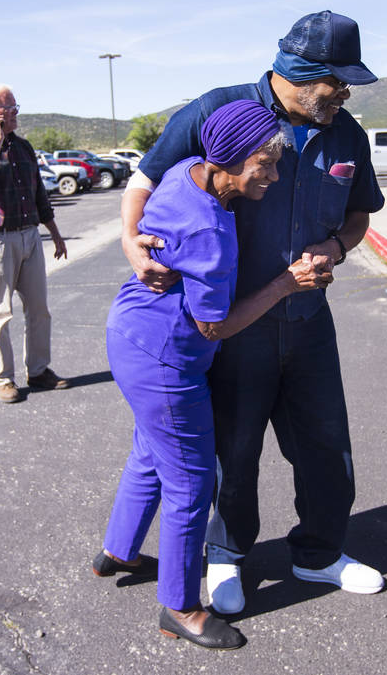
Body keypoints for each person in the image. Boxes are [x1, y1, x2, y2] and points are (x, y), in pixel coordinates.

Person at [121, 10, 386, 615]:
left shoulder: (347, 134)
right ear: (298, 72)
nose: (344, 94)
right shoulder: (222, 109)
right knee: (233, 450)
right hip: (235, 324)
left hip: (308, 319)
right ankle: (227, 555)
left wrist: (339, 245)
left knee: (325, 444)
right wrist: (132, 241)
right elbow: (144, 177)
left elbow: (360, 215)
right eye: (337, 82)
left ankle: (318, 553)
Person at [95, 100, 327, 650]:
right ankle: (180, 606)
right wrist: (285, 285)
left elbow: (144, 191)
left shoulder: (186, 174)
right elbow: (215, 329)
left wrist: (132, 237)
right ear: (225, 160)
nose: (273, 175)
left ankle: (119, 550)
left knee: (152, 451)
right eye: (263, 164)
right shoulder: (209, 236)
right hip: (166, 357)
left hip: (131, 334)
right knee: (191, 482)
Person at [0, 81, 69, 404]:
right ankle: (4, 379)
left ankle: (38, 371)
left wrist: (53, 231)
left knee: (39, 309)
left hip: (28, 236)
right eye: (10, 109)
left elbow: (38, 194)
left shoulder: (23, 147)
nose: (15, 114)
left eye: (15, 108)